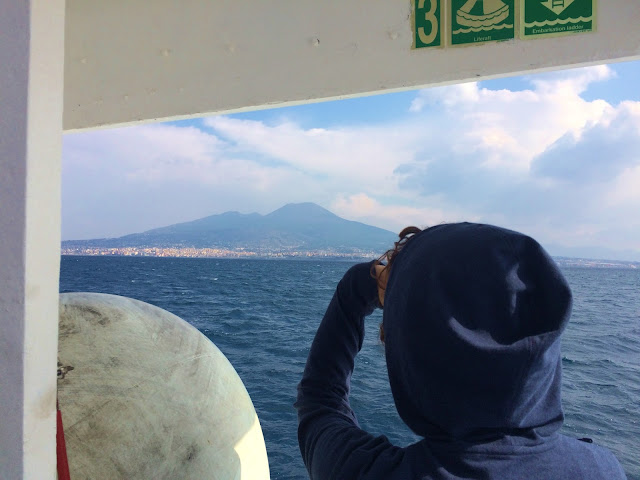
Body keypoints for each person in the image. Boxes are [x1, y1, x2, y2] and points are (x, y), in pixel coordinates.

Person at [295, 222, 627, 479]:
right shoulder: (602, 468)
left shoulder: (370, 473)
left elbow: (320, 402)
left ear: (413, 355)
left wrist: (359, 287)